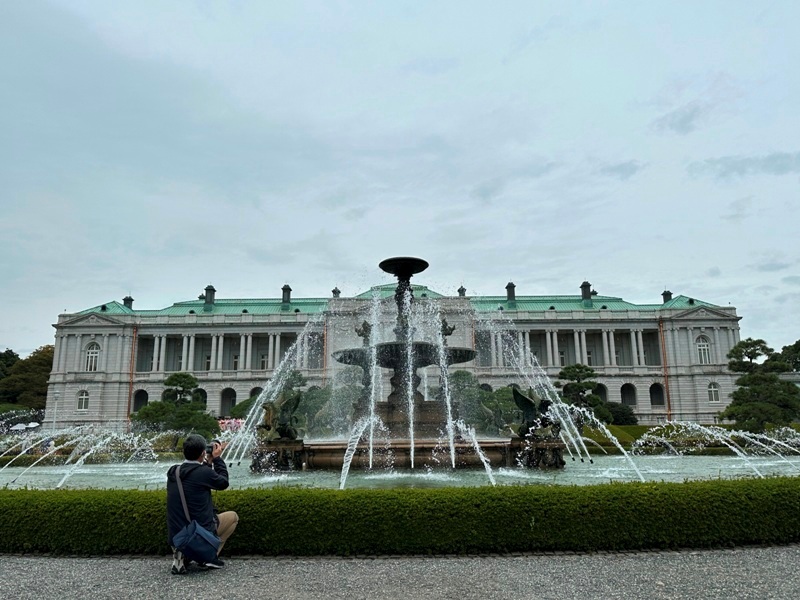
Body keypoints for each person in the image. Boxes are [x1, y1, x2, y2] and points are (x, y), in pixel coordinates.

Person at [166, 434, 239, 575]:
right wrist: (217, 459)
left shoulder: (173, 471)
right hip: (200, 532)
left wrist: (207, 462)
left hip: (176, 535)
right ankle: (208, 556)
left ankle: (182, 553)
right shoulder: (203, 473)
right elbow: (223, 482)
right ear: (203, 453)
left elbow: (197, 476)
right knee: (233, 517)